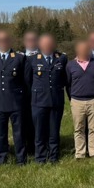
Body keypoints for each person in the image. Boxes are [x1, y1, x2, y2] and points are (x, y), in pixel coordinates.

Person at [25, 34, 68, 164]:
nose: (47, 46)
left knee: (54, 132)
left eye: (49, 44)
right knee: (39, 132)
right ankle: (40, 157)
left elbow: (64, 79)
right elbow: (28, 81)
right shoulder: (31, 60)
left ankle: (53, 157)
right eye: (44, 44)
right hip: (39, 102)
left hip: (56, 101)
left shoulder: (61, 58)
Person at [0, 30, 27, 165]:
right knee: (0, 133)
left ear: (10, 41)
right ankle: (1, 158)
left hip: (16, 102)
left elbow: (25, 81)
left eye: (5, 40)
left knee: (19, 133)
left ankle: (21, 159)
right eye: (0, 40)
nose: (3, 42)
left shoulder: (20, 58)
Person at [66, 41, 94, 159]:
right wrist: (72, 98)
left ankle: (93, 152)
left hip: (93, 100)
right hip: (77, 101)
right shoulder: (70, 65)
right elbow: (68, 84)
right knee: (78, 129)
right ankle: (80, 153)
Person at [21, 30, 39, 155]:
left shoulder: (44, 55)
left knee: (40, 123)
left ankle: (42, 147)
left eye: (33, 40)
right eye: (28, 40)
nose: (31, 42)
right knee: (26, 122)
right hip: (24, 97)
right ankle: (29, 147)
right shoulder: (19, 57)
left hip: (40, 96)